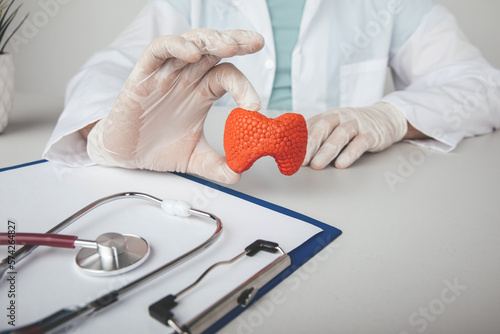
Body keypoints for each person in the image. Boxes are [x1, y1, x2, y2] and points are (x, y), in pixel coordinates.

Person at [43, 0, 500, 184]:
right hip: (215, 183)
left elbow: (482, 86)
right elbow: (106, 69)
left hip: (349, 183)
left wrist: (391, 116)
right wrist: (107, 128)